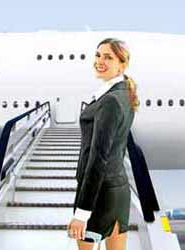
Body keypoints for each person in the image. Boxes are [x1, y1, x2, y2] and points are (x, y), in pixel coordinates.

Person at [67, 38, 139, 250]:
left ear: (122, 63)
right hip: (118, 189)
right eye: (98, 55)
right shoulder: (125, 95)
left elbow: (98, 159)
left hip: (99, 193)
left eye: (108, 57)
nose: (100, 61)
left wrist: (82, 213)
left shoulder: (109, 101)